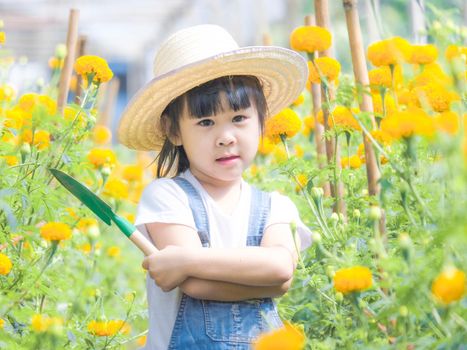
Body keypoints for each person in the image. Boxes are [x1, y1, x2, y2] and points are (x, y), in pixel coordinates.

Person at [117, 24, 311, 350]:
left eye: (238, 118)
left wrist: (187, 260)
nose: (225, 137)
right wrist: (269, 284)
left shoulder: (277, 206)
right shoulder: (168, 196)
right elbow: (195, 285)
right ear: (173, 131)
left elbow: (279, 267)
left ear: (261, 118)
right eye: (205, 122)